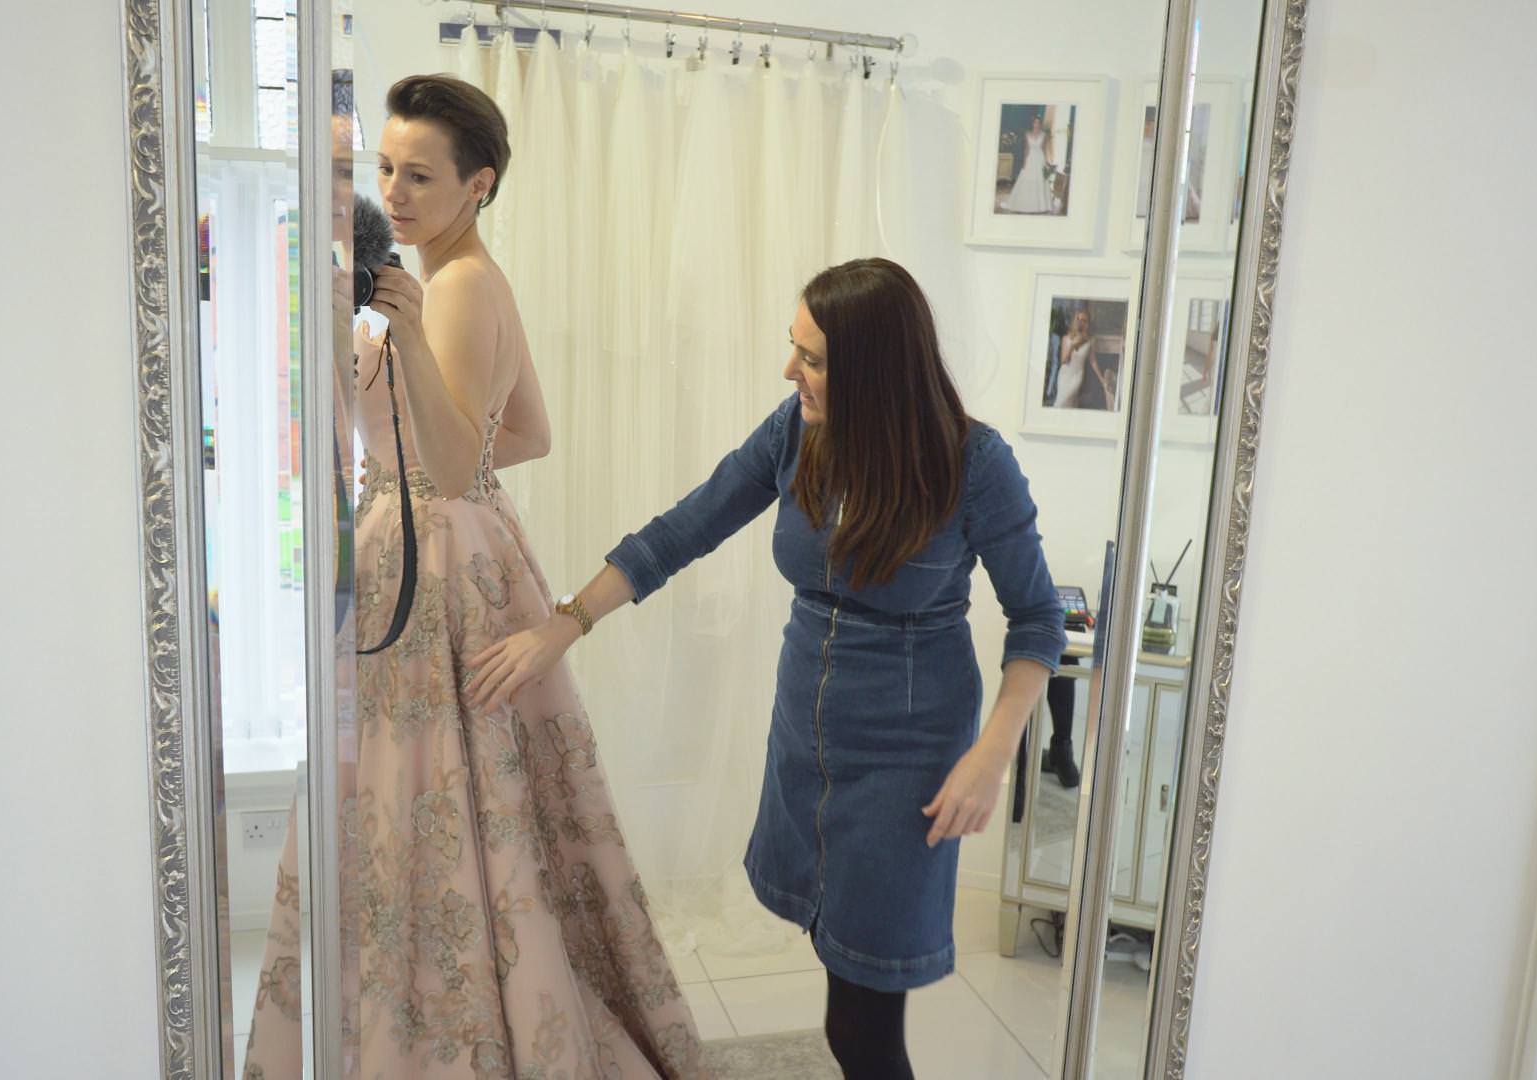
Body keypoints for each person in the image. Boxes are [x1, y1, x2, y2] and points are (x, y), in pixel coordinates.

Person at [469, 258, 1067, 1079]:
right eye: (795, 349)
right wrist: (565, 624)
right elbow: (685, 528)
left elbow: (1039, 616)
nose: (792, 371)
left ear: (878, 369)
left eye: (813, 358)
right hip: (806, 736)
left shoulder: (973, 463)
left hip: (910, 756)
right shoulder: (797, 432)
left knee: (863, 1024)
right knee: (840, 969)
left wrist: (991, 756)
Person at [245, 75, 710, 1080]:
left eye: (421, 175)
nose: (397, 193)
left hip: (426, 560)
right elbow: (525, 433)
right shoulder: (474, 279)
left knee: (424, 804)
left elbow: (450, 466)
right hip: (470, 547)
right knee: (471, 804)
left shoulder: (449, 288)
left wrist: (402, 350)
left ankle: (430, 1029)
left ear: (479, 184)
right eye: (386, 170)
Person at [1000, 113, 1059, 215]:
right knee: (1027, 179)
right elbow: (1026, 150)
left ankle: (1041, 205)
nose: (1036, 124)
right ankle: (1024, 203)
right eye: (1035, 122)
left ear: (1040, 124)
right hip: (1030, 159)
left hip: (1040, 159)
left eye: (1038, 123)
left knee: (1040, 180)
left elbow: (1044, 149)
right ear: (1032, 124)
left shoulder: (1044, 135)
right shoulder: (1027, 134)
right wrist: (1024, 163)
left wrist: (1046, 162)